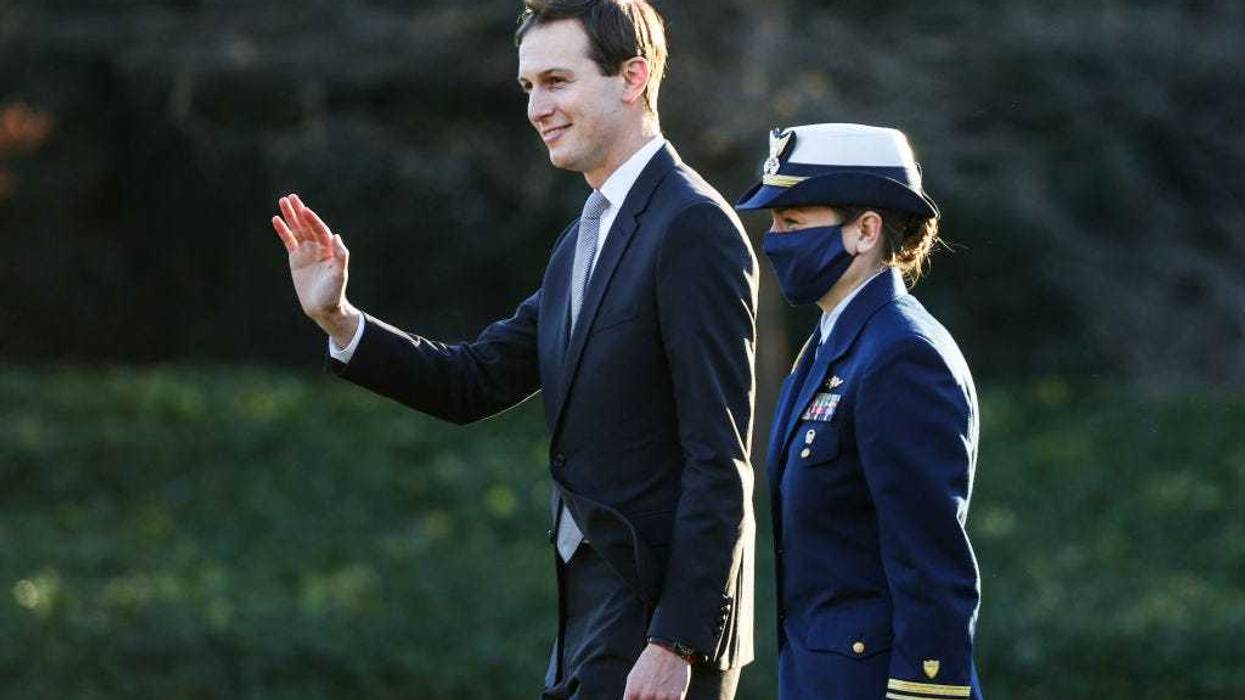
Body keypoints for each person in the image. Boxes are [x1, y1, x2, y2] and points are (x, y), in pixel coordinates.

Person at [270, 2, 758, 699]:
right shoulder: (581, 241)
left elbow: (719, 456)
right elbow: (473, 382)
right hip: (588, 626)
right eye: (527, 87)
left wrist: (677, 641)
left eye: (556, 81)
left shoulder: (692, 227)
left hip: (654, 635)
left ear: (632, 78)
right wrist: (339, 319)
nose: (537, 108)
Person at [735, 123, 983, 700]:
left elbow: (931, 565)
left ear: (865, 230)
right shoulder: (832, 344)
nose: (773, 240)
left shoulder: (902, 355)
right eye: (773, 223)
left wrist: (925, 692)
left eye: (792, 223)